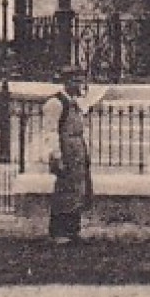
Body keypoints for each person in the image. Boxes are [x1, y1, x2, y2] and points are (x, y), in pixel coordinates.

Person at [42, 66, 94, 244]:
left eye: (80, 80)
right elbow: (51, 132)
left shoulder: (76, 103)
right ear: (66, 82)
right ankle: (58, 231)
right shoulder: (56, 103)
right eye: (75, 80)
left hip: (77, 150)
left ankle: (73, 229)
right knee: (64, 190)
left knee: (78, 190)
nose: (79, 84)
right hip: (65, 150)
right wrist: (57, 156)